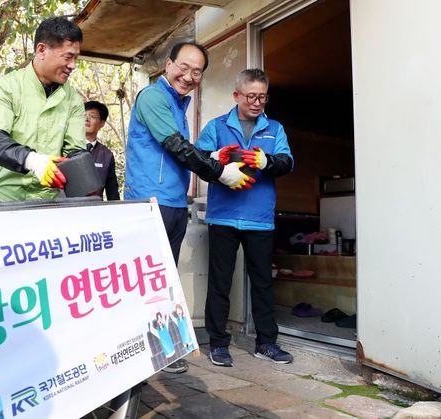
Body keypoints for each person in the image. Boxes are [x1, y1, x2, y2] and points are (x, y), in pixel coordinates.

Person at [124, 41, 253, 374]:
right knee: (149, 282)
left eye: (197, 71)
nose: (189, 76)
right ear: (168, 65)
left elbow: (183, 151)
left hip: (174, 203)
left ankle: (161, 351)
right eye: (184, 67)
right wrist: (220, 172)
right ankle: (142, 351)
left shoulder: (178, 104)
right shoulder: (153, 96)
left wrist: (215, 158)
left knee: (163, 278)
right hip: (150, 203)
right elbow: (176, 147)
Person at [195, 68, 294, 367]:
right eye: (250, 96)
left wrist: (267, 161)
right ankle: (218, 343)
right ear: (236, 95)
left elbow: (287, 162)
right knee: (220, 282)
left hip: (260, 218)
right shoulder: (216, 127)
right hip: (223, 217)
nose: (256, 102)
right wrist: (217, 159)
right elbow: (197, 158)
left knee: (263, 282)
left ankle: (266, 343)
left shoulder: (274, 129)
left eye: (262, 97)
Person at [0, 17, 86, 202]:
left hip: (45, 199)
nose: (72, 65)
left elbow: (75, 150)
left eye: (76, 58)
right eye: (68, 57)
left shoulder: (73, 99)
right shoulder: (6, 88)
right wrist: (31, 160)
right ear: (42, 50)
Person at [84, 101, 120, 200]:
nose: (86, 119)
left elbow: (112, 191)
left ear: (102, 123)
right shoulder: (67, 147)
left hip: (95, 210)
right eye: (83, 115)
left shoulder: (107, 155)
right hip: (67, 209)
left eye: (92, 116)